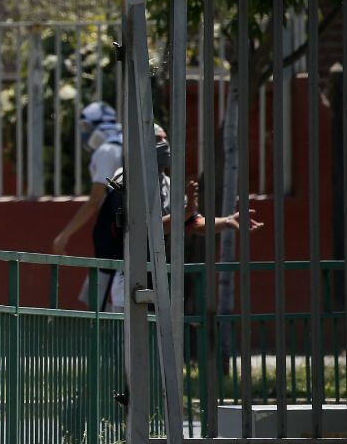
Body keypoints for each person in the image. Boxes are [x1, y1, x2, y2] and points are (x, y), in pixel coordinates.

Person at [96, 124, 264, 312]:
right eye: (158, 140)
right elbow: (143, 229)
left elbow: (193, 222)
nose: (164, 144)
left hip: (162, 282)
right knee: (130, 338)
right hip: (130, 285)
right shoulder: (125, 179)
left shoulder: (168, 184)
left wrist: (226, 221)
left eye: (165, 139)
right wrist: (183, 214)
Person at [51, 101, 123, 311]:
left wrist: (64, 235)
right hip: (127, 234)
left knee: (100, 305)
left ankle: (108, 343)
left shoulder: (107, 151)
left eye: (85, 127)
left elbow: (94, 200)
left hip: (112, 239)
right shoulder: (126, 144)